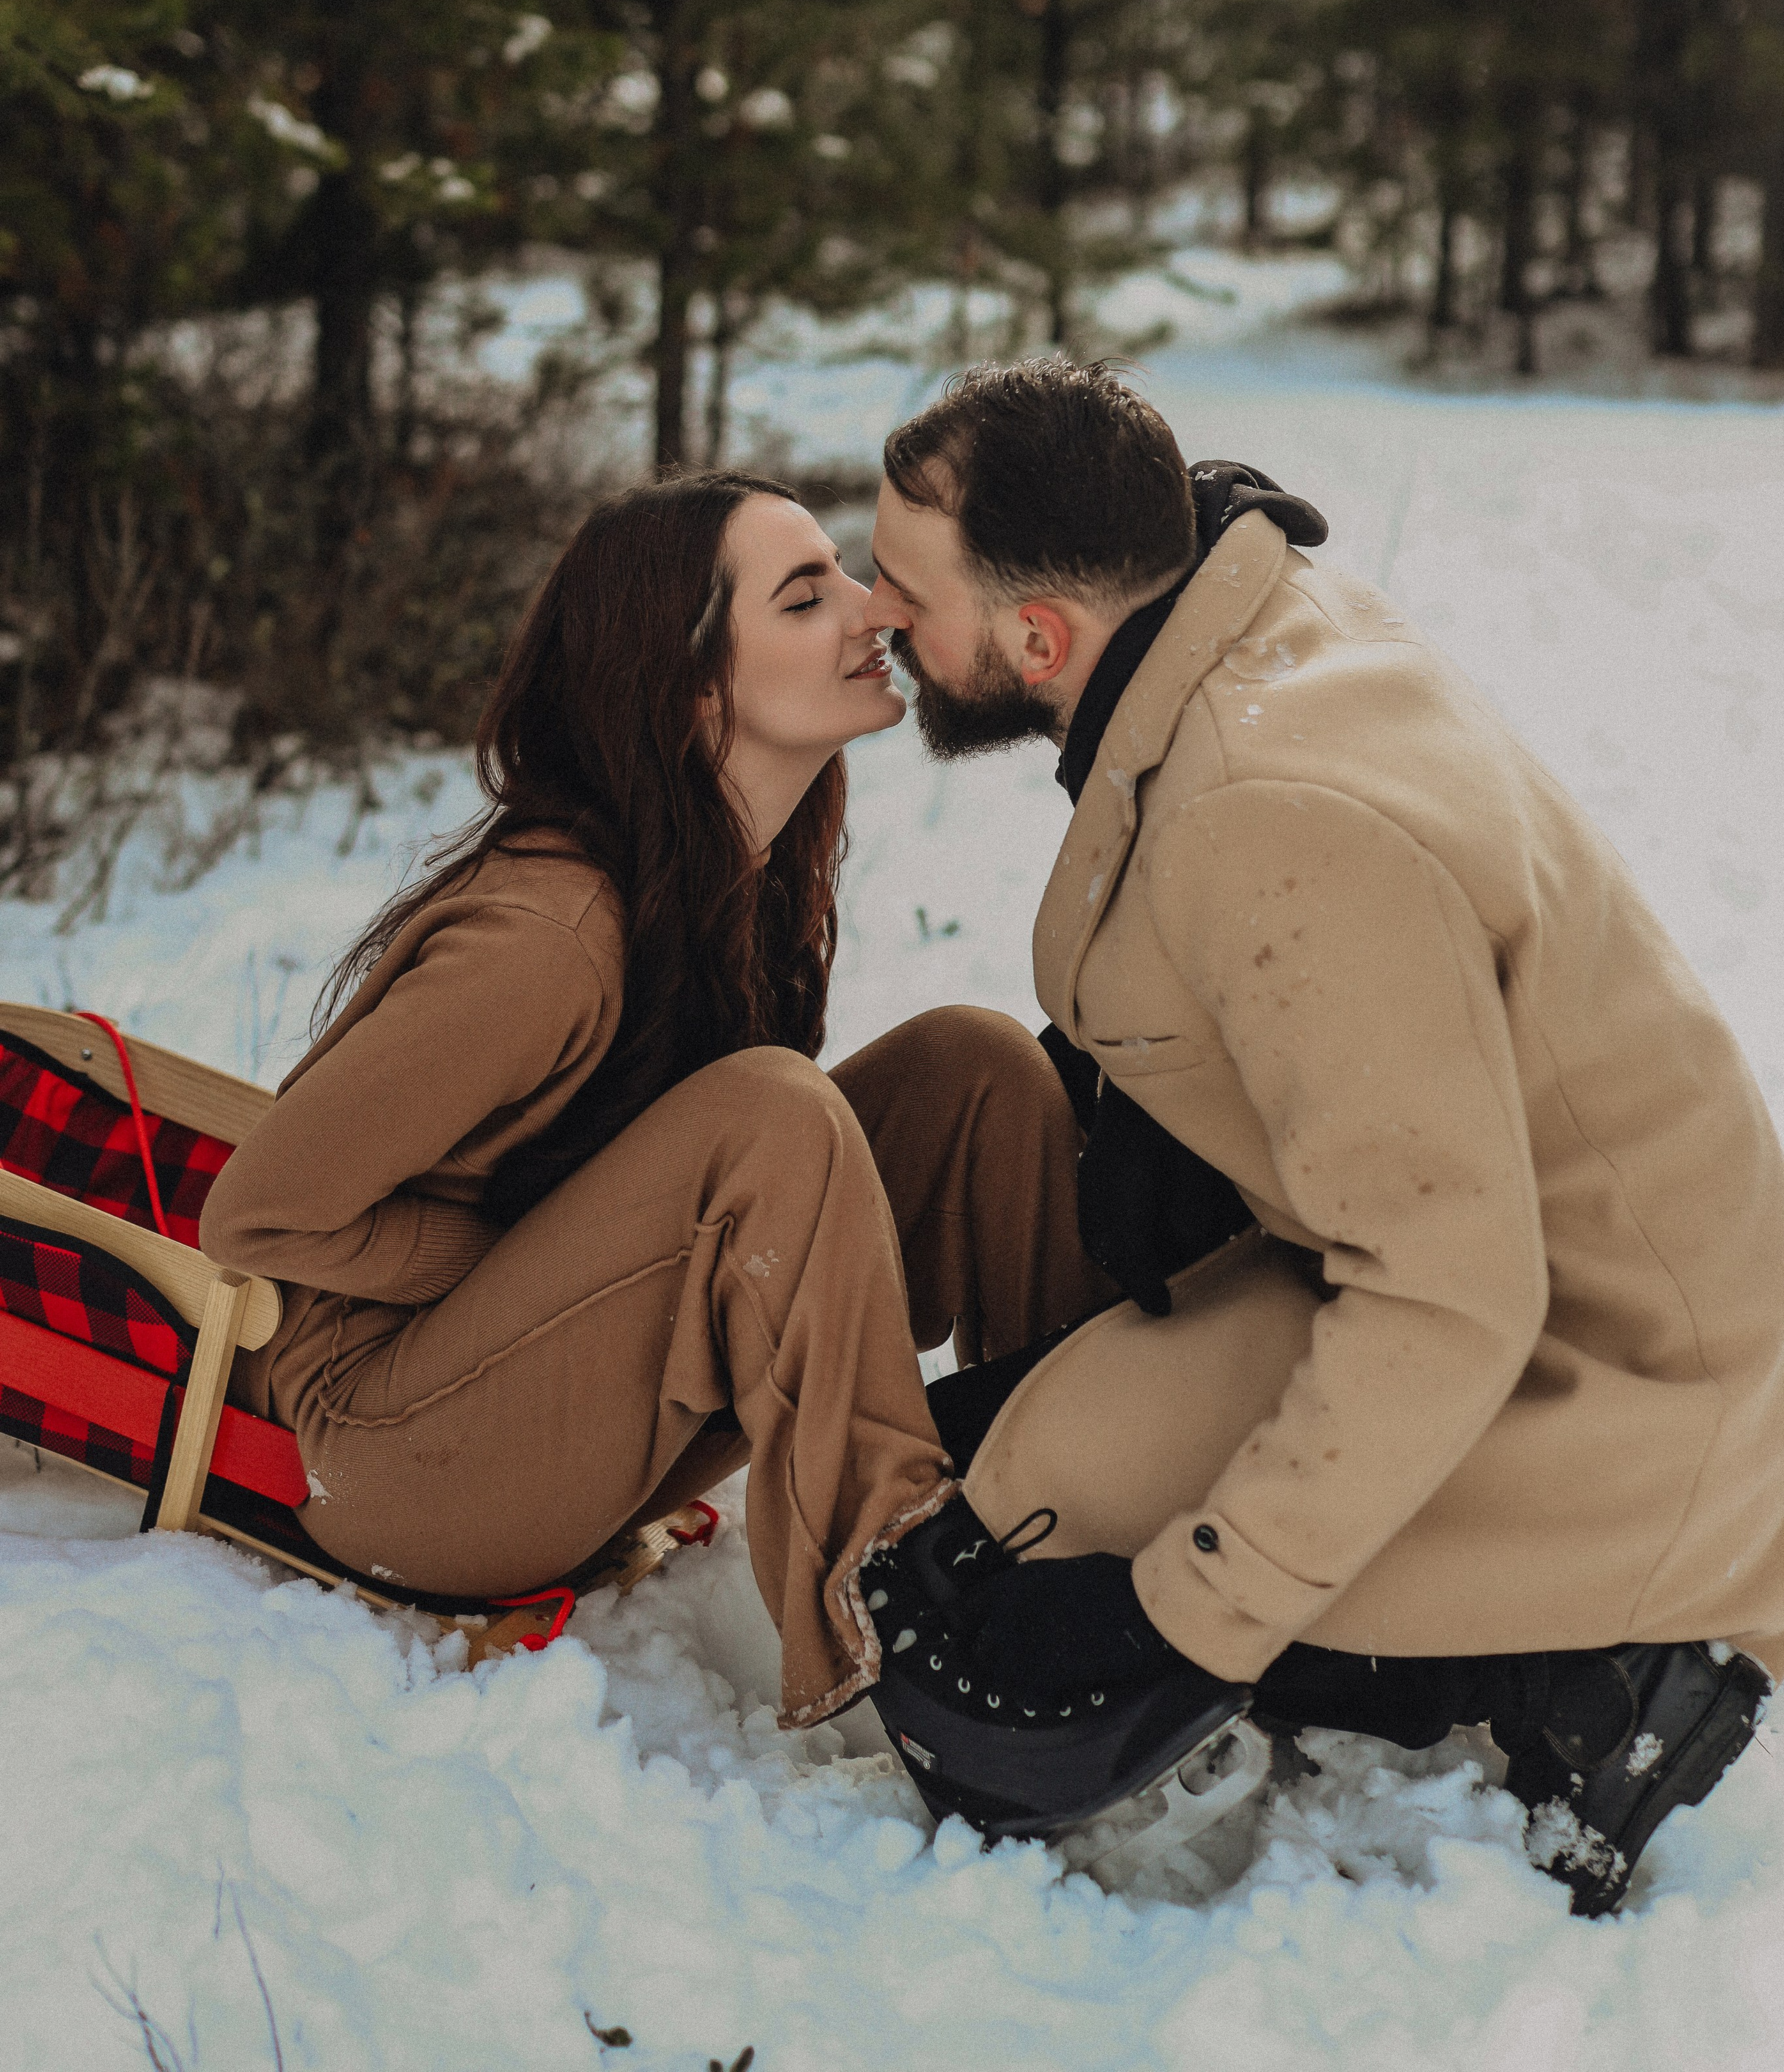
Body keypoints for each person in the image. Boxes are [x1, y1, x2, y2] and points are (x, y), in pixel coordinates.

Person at [856, 358, 1782, 1910]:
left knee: (1032, 1538)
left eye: (899, 588)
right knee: (1003, 1473)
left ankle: (1596, 1663)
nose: (872, 610)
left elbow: (1445, 1290)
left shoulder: (1264, 804)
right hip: (1510, 1254)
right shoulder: (1235, 614)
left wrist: (1188, 1616)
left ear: (1035, 637)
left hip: (1612, 1365)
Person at [200, 472, 1106, 1730]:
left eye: (844, 575)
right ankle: (914, 1616)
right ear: (692, 690)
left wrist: (593, 1266)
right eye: (807, 598)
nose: (873, 611)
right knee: (772, 1114)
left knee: (974, 1069)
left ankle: (1096, 1512)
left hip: (566, 1395)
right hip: (399, 1458)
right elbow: (258, 1215)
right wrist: (523, 1265)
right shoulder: (549, 939)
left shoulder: (736, 870)